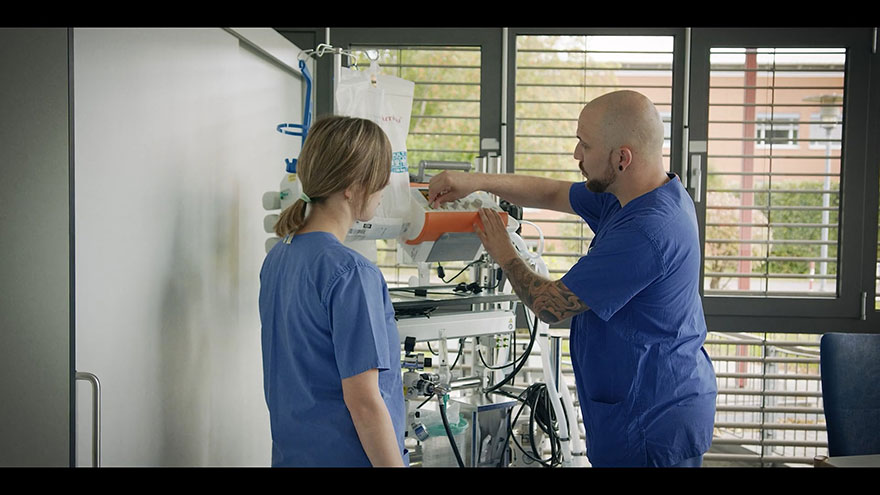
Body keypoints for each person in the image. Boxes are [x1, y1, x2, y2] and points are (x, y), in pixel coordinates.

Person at [428, 90, 717, 467]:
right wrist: (475, 181)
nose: (577, 155)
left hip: (651, 421)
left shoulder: (648, 230)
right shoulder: (632, 193)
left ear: (622, 158)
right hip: (644, 402)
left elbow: (551, 307)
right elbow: (551, 192)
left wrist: (504, 252)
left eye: (585, 145)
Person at [259, 115, 407, 467]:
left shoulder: (279, 256)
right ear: (353, 186)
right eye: (380, 180)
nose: (384, 190)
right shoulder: (352, 274)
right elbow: (365, 403)